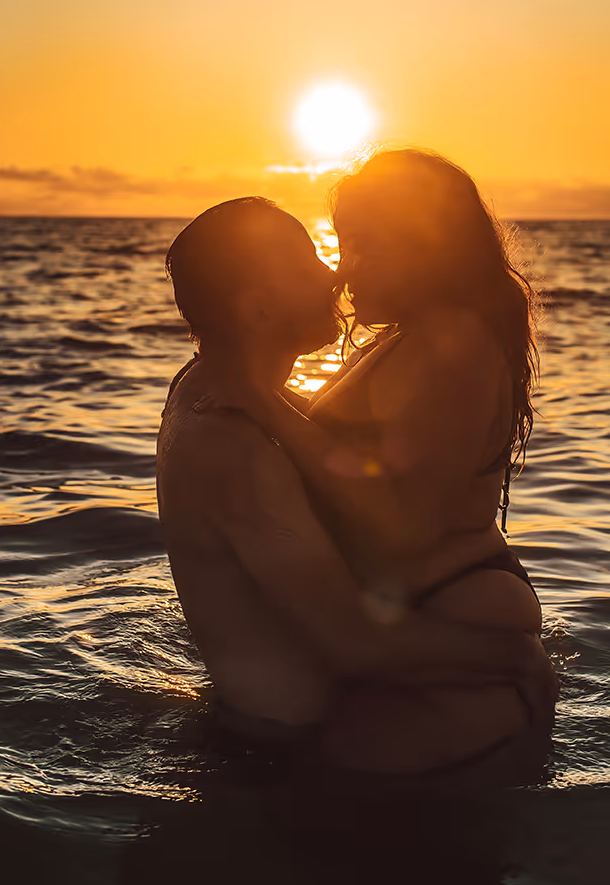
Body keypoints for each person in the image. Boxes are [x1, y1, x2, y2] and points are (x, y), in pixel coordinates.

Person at [157, 195, 558, 786]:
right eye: (307, 266)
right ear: (260, 309)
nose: (333, 275)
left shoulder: (199, 386)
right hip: (291, 752)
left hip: (293, 734)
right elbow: (353, 645)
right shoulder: (237, 447)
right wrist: (518, 658)